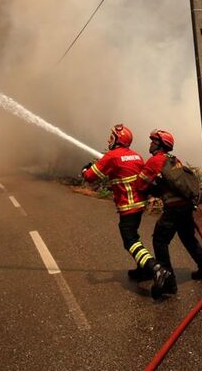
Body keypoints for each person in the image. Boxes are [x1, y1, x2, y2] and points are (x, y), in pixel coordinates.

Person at [82, 123, 172, 299]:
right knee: (135, 237)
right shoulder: (136, 156)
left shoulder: (112, 156)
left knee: (129, 241)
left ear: (118, 139)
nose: (109, 140)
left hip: (127, 206)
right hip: (140, 205)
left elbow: (90, 177)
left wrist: (85, 170)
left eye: (112, 137)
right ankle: (142, 270)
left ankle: (155, 269)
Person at [135, 129, 202, 296]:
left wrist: (145, 179)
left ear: (158, 144)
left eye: (153, 141)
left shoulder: (155, 161)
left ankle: (169, 282)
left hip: (174, 208)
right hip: (186, 206)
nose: (150, 143)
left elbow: (140, 186)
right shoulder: (174, 160)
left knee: (160, 240)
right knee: (188, 238)